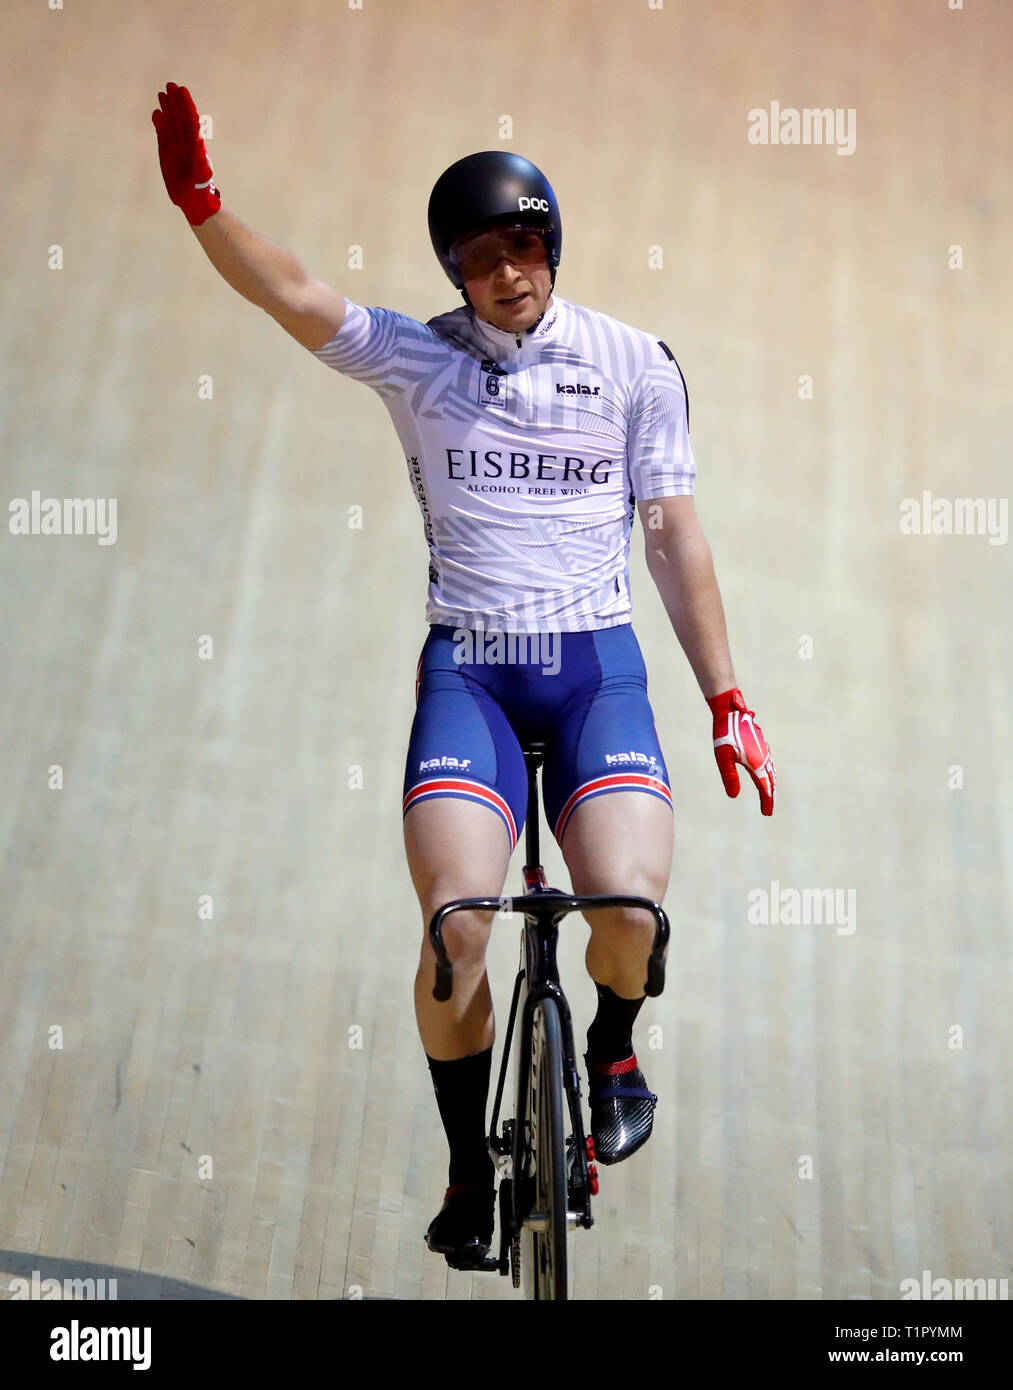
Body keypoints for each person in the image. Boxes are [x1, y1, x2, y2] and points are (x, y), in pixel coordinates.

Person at [153, 81, 776, 1273]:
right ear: (453, 272)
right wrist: (202, 205)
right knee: (454, 933)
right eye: (480, 256)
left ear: (554, 241)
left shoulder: (635, 364)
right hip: (473, 681)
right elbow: (291, 290)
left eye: (524, 243)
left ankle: (611, 1045)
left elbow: (673, 536)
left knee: (631, 919)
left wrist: (725, 696)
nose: (507, 272)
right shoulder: (416, 359)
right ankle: (460, 1165)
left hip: (596, 670)